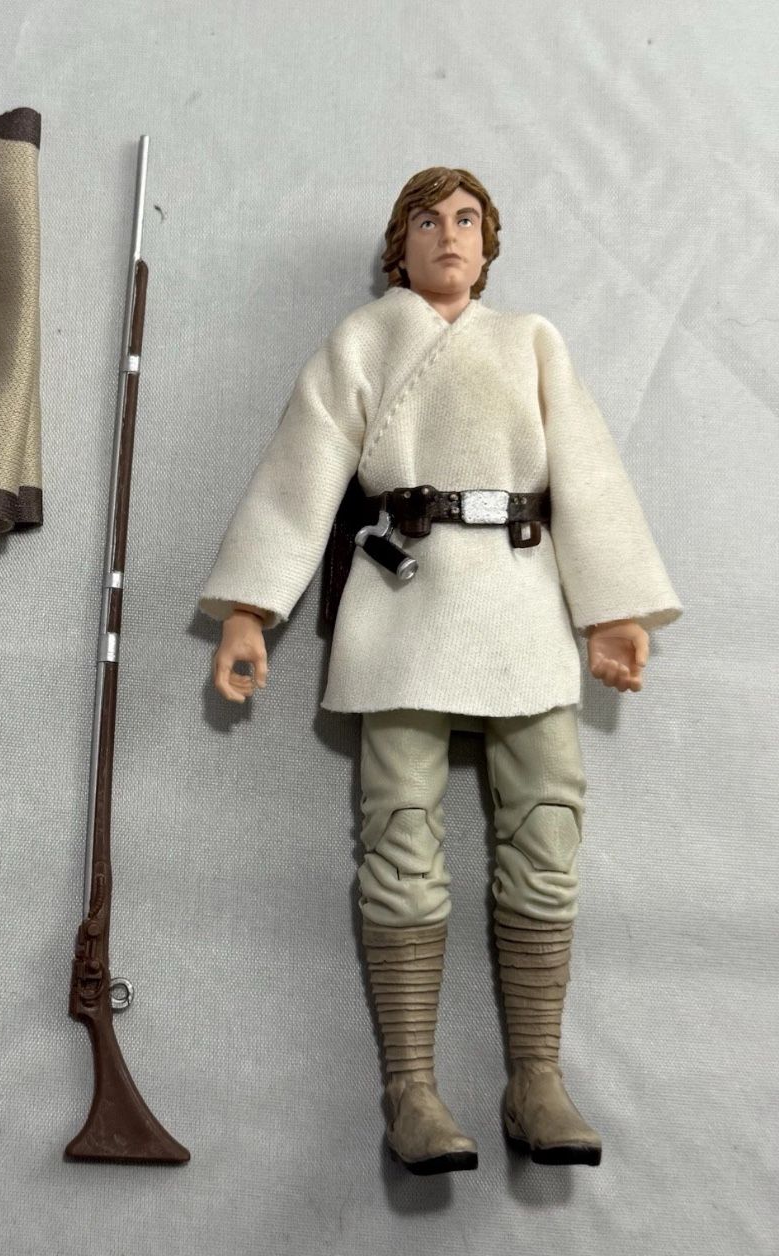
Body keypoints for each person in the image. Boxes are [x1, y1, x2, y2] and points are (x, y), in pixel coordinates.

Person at [199, 167, 680, 1174]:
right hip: (405, 604)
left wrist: (611, 608)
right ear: (399, 247)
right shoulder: (365, 340)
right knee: (399, 833)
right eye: (427, 221)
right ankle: (409, 1087)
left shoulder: (529, 340)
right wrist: (252, 608)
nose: (449, 235)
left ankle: (536, 1076)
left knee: (549, 821)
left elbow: (586, 470)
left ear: (488, 244)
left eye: (466, 220)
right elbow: (302, 474)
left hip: (521, 602)